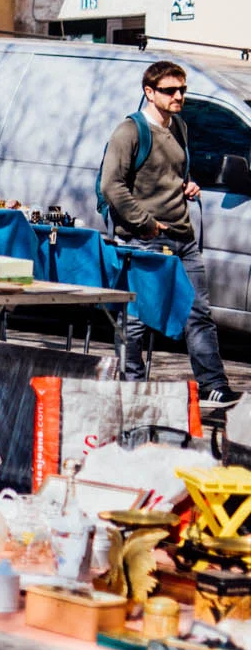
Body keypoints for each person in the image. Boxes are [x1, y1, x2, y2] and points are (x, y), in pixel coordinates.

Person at [101, 60, 237, 404]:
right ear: (149, 92)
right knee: (137, 318)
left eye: (182, 90)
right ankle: (132, 389)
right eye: (170, 90)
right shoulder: (129, 132)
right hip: (141, 238)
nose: (178, 96)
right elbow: (111, 186)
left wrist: (188, 185)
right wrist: (145, 222)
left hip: (182, 236)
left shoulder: (180, 128)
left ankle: (214, 387)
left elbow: (171, 173)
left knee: (197, 313)